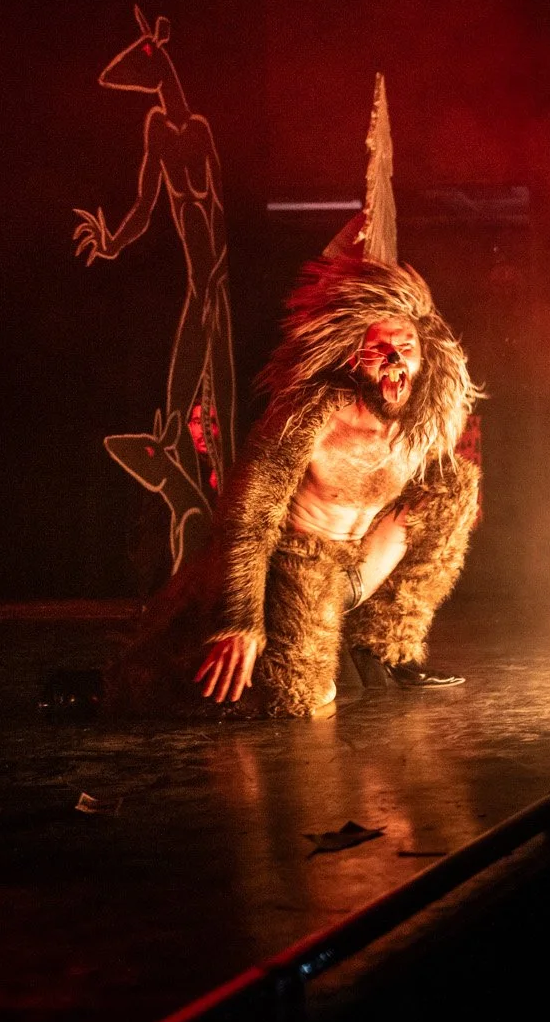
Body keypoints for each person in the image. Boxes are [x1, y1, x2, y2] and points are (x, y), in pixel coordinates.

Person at [104, 255, 482, 716]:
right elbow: (247, 519)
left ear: (424, 356)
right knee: (307, 701)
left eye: (405, 346)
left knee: (455, 485)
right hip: (302, 567)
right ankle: (149, 685)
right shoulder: (308, 419)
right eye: (378, 346)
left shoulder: (423, 424)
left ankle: (379, 646)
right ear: (352, 354)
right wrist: (241, 621)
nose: (394, 357)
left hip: (364, 569)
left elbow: (433, 513)